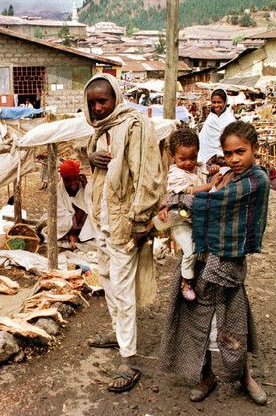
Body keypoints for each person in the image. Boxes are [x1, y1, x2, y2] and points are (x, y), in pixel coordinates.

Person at [160, 121, 270, 405]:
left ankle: (244, 376)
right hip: (200, 256)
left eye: (240, 151)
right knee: (198, 319)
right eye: (229, 153)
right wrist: (182, 201)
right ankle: (205, 375)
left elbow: (212, 203)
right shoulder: (227, 176)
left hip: (229, 262)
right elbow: (205, 197)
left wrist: (174, 201)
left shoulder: (255, 180)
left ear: (254, 149)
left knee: (234, 320)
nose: (234, 158)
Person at [83, 73, 163, 393]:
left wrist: (141, 221)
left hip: (125, 222)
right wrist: (91, 158)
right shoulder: (102, 130)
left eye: (103, 101)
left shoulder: (134, 126)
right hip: (103, 217)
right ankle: (118, 334)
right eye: (92, 103)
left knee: (123, 287)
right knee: (106, 277)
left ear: (116, 98)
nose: (98, 108)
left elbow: (148, 175)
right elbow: (100, 164)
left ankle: (129, 359)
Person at [154, 128, 216, 301]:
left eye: (193, 157)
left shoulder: (197, 167)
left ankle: (201, 279)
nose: (189, 163)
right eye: (183, 159)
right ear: (174, 156)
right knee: (190, 251)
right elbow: (192, 191)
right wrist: (211, 185)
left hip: (198, 220)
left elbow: (207, 169)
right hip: (180, 221)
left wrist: (213, 169)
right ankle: (186, 282)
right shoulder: (175, 174)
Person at [41, 159, 98, 248]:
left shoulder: (84, 185)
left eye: (75, 179)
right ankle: (72, 236)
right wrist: (73, 225)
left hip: (81, 223)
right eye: (67, 180)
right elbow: (60, 213)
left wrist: (87, 188)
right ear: (62, 179)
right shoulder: (58, 189)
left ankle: (77, 236)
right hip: (70, 226)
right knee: (57, 223)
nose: (72, 183)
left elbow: (91, 205)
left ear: (79, 176)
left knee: (91, 214)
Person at [198, 89, 236, 165]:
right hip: (206, 156)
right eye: (214, 102)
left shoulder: (230, 120)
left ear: (225, 102)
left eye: (219, 102)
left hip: (222, 158)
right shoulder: (211, 117)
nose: (216, 105)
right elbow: (204, 137)